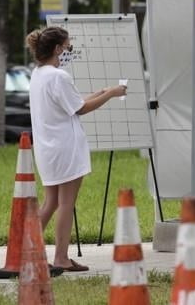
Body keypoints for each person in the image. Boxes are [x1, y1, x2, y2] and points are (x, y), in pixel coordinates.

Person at [26, 27, 127, 271]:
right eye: (68, 47)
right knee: (66, 204)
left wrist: (98, 93)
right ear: (58, 49)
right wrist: (111, 94)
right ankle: (61, 257)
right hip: (66, 148)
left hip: (47, 148)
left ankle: (24, 251)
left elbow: (70, 103)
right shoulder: (59, 76)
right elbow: (80, 109)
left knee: (50, 202)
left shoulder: (39, 74)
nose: (70, 51)